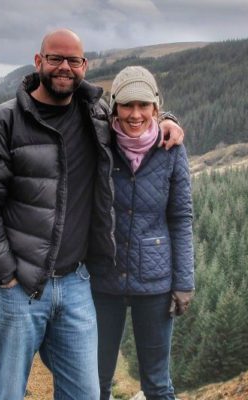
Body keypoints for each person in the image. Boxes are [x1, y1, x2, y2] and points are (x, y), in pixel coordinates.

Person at [0, 29, 184, 399]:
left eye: (73, 61)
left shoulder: (93, 116)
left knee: (86, 394)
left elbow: (135, 118)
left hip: (77, 285)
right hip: (20, 288)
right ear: (38, 61)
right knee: (8, 392)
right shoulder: (0, 124)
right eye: (55, 59)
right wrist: (5, 277)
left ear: (84, 66)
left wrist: (168, 121)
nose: (64, 67)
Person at [88, 66, 194, 400]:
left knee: (157, 384)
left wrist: (184, 282)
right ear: (114, 106)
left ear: (156, 108)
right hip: (103, 278)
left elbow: (180, 218)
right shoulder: (99, 142)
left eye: (144, 105)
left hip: (155, 281)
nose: (135, 114)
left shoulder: (171, 149)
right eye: (127, 105)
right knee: (96, 380)